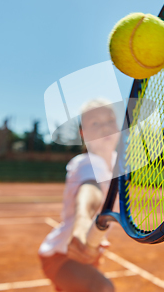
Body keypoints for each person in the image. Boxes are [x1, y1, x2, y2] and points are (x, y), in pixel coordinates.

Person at [38, 99, 120, 292]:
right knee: (102, 288)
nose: (105, 128)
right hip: (63, 255)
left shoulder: (118, 164)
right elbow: (90, 190)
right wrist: (83, 222)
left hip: (86, 253)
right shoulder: (87, 162)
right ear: (83, 133)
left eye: (110, 121)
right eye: (95, 123)